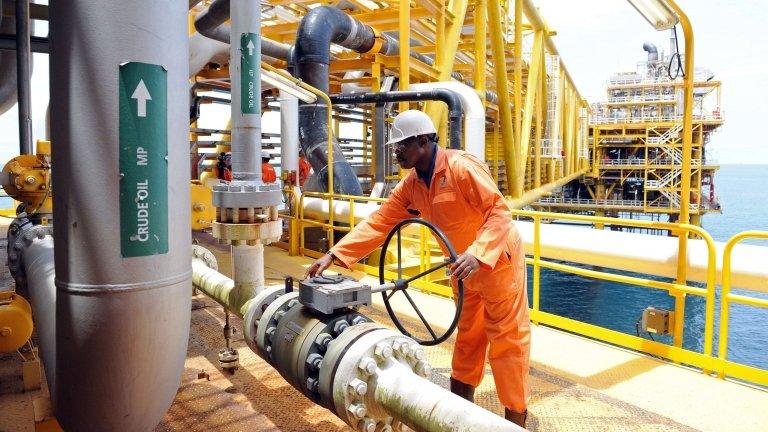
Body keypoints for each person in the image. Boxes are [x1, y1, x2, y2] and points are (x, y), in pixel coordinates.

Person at [304, 110, 530, 427]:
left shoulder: (461, 167)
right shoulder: (412, 185)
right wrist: (334, 254)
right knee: (467, 342)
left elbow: (499, 213)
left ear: (422, 142)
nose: (395, 152)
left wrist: (477, 254)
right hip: (464, 274)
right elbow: (380, 223)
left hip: (497, 266)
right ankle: (459, 418)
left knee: (507, 347)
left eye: (401, 146)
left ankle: (516, 422)